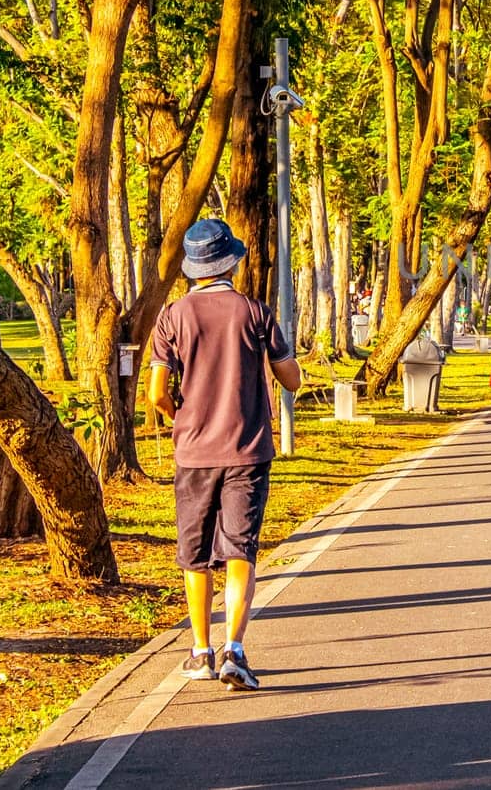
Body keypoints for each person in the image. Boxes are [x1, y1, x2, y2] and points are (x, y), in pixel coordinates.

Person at [148, 219, 302, 692]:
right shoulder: (254, 313)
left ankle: (199, 650)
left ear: (193, 268)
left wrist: (181, 416)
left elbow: (155, 393)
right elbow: (290, 379)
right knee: (240, 549)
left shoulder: (172, 316)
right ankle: (234, 649)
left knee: (194, 555)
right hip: (247, 450)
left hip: (194, 452)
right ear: (231, 261)